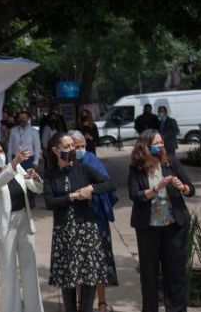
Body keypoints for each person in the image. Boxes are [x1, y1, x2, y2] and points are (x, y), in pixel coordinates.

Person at [44, 132, 115, 312]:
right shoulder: (50, 174)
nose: (72, 150)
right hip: (64, 232)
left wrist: (92, 188)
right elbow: (50, 203)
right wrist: (72, 196)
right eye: (67, 147)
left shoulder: (83, 169)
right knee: (68, 278)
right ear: (55, 150)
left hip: (86, 229)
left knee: (89, 277)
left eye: (73, 147)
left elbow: (109, 183)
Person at [128, 129, 195, 312]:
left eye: (161, 143)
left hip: (174, 226)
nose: (160, 146)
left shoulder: (170, 161)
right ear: (145, 146)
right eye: (155, 144)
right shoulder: (137, 167)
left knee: (175, 273)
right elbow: (135, 195)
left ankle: (176, 309)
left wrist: (183, 187)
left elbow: (191, 189)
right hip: (148, 228)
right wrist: (156, 188)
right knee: (149, 274)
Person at [0, 139, 44, 312]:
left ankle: (34, 308)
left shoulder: (15, 168)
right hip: (5, 226)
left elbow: (36, 188)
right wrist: (14, 163)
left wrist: (36, 178)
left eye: (0, 151)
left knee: (30, 269)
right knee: (8, 272)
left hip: (24, 220)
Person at [70, 130, 119, 312]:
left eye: (82, 146)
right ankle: (78, 304)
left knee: (99, 262)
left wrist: (91, 189)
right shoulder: (67, 165)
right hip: (75, 220)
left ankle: (102, 303)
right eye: (76, 147)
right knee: (77, 263)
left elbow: (109, 185)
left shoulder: (92, 161)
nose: (80, 150)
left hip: (96, 219)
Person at [7, 111, 41, 207]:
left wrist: (36, 161)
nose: (22, 119)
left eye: (25, 117)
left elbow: (37, 147)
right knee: (16, 180)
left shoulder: (34, 131)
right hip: (16, 158)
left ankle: (30, 201)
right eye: (20, 117)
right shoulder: (13, 130)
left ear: (28, 119)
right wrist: (10, 160)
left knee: (29, 179)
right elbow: (9, 146)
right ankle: (19, 202)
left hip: (28, 159)